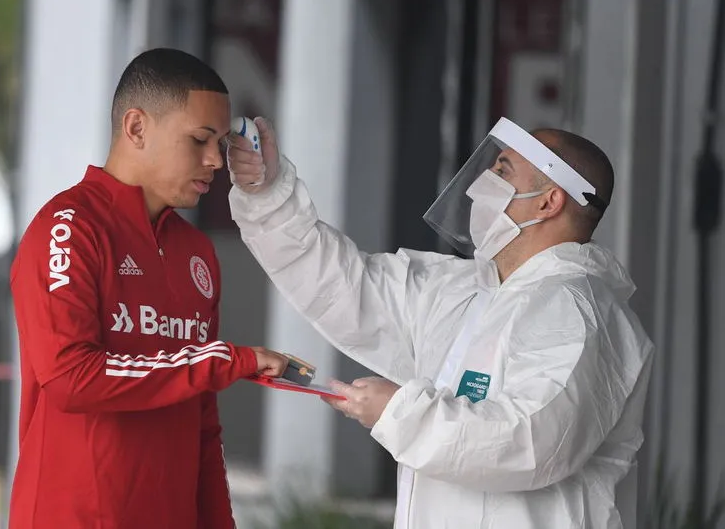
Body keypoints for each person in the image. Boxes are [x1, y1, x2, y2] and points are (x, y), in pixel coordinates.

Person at [225, 116, 654, 528]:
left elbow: (532, 441)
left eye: (503, 170)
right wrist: (267, 197)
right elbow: (342, 285)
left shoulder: (578, 312)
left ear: (548, 201)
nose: (480, 186)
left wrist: (400, 412)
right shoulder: (464, 290)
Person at [8, 48, 289, 529]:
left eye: (220, 143)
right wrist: (224, 360)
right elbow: (70, 378)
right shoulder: (68, 227)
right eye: (200, 139)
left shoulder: (197, 252)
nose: (214, 161)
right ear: (136, 128)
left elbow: (202, 423)